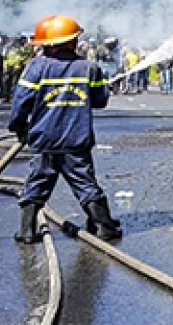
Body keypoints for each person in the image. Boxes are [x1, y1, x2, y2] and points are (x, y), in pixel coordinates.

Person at [9, 14, 122, 243]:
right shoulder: (89, 68)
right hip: (75, 140)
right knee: (85, 183)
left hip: (44, 140)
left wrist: (19, 128)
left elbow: (21, 102)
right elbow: (100, 101)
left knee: (37, 182)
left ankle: (27, 231)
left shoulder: (36, 68)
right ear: (72, 42)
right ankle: (104, 227)